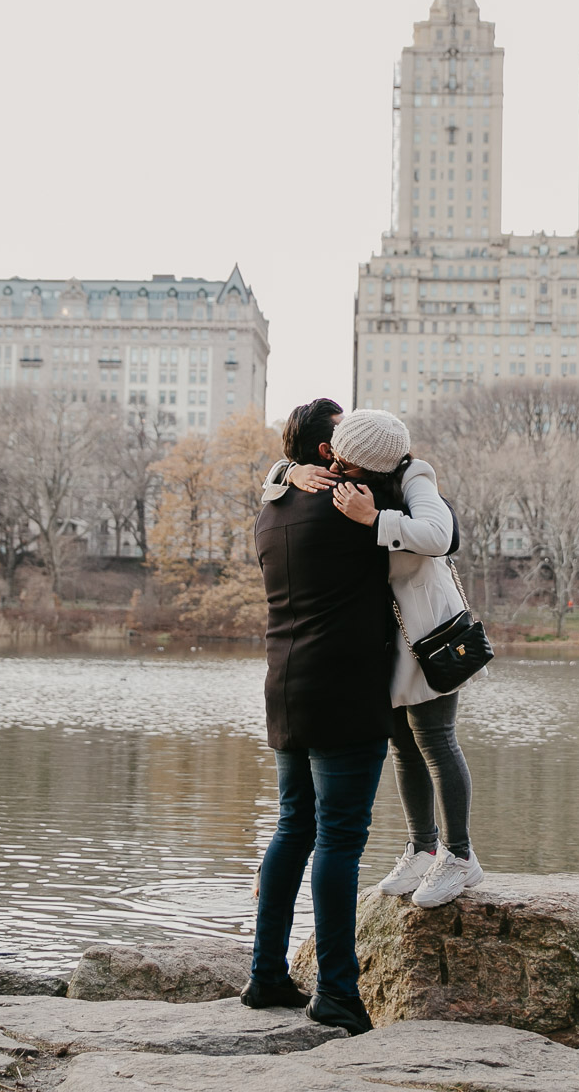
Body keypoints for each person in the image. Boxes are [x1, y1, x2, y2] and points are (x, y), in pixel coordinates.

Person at [265, 406, 482, 909]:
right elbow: (275, 483)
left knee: (436, 739)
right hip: (385, 635)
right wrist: (288, 471)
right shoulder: (353, 479)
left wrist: (374, 519)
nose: (334, 465)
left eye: (343, 458)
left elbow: (442, 536)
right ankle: (423, 847)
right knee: (403, 743)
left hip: (428, 631)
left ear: (371, 462)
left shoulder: (413, 477)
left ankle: (460, 855)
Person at [242, 399, 396, 1036]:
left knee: (293, 829)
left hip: (286, 687)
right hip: (345, 691)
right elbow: (445, 529)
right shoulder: (351, 502)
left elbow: (281, 476)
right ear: (330, 450)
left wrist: (283, 470)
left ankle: (266, 974)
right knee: (339, 838)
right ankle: (335, 991)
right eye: (346, 431)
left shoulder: (271, 509)